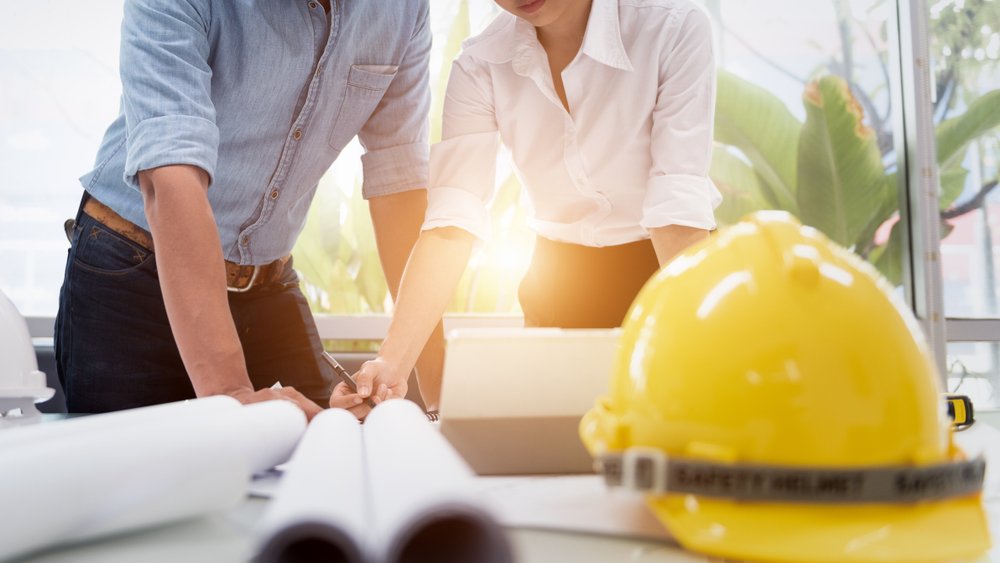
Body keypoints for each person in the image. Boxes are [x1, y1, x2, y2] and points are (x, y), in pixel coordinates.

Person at [331, 0, 722, 418]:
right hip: (561, 282)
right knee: (553, 450)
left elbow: (674, 207)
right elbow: (452, 223)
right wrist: (391, 362)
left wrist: (702, 336)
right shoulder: (481, 62)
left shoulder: (673, 26)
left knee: (680, 426)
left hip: (668, 269)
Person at [54, 0, 444, 418]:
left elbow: (399, 191)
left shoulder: (402, 10)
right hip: (130, 272)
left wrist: (442, 394)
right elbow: (171, 179)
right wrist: (231, 392)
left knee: (326, 446)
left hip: (267, 280)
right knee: (142, 472)